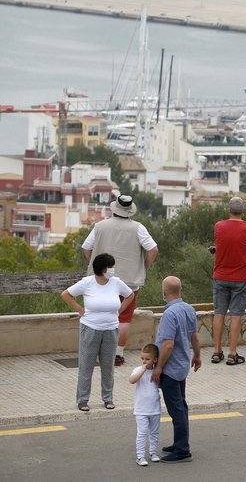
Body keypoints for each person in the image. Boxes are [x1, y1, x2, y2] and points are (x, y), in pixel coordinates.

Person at [81, 194, 159, 366]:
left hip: (102, 280)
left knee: (97, 315)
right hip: (129, 282)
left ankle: (94, 352)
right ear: (130, 211)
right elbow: (153, 250)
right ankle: (117, 354)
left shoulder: (99, 226)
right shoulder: (138, 228)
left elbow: (86, 248)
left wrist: (97, 267)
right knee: (123, 318)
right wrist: (143, 267)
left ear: (114, 208)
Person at [61, 253, 134, 411]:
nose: (112, 270)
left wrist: (120, 310)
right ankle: (82, 400)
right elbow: (66, 294)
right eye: (110, 267)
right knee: (86, 366)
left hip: (111, 329)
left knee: (108, 367)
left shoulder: (116, 283)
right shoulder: (87, 283)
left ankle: (108, 398)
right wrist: (80, 309)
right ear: (102, 268)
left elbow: (130, 295)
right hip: (90, 329)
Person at [152, 276, 202, 464]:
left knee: (177, 409)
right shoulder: (189, 309)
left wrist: (158, 368)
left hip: (171, 370)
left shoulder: (169, 315)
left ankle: (182, 449)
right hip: (182, 366)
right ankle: (179, 442)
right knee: (181, 406)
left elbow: (167, 345)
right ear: (181, 290)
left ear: (164, 293)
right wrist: (197, 356)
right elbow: (194, 337)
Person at [210, 196, 246, 366]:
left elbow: (222, 243)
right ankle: (232, 353)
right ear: (243, 211)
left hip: (221, 275)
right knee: (235, 315)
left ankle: (216, 351)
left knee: (219, 313)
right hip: (241, 277)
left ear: (228, 210)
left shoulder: (219, 226)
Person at [128, 343, 162, 466]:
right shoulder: (138, 370)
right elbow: (131, 380)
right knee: (142, 432)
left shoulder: (157, 371)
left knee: (154, 432)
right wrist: (142, 370)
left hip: (154, 409)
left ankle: (153, 452)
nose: (144, 361)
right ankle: (140, 456)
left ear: (155, 360)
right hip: (141, 409)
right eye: (142, 358)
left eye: (147, 359)